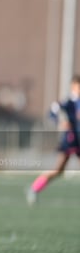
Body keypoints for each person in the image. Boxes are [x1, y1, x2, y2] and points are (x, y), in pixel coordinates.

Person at [26, 75, 80, 205]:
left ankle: (34, 189)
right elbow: (52, 111)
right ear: (73, 87)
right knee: (58, 170)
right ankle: (34, 188)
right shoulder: (69, 102)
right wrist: (60, 121)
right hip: (70, 140)